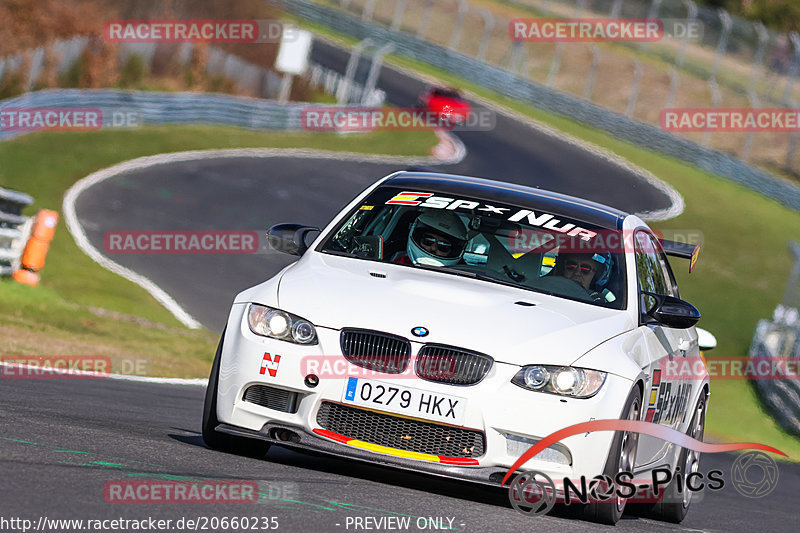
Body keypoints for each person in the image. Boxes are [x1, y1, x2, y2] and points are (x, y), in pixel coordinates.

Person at [392, 210, 468, 267]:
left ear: (452, 251)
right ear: (418, 239)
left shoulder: (463, 273)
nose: (433, 248)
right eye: (428, 241)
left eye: (443, 246)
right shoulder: (401, 263)